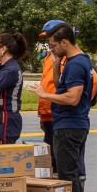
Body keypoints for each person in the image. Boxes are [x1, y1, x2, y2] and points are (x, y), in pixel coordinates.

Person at [29, 23, 93, 192]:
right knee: (71, 174)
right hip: (70, 124)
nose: (51, 50)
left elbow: (72, 98)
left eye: (53, 45)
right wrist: (56, 65)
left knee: (68, 177)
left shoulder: (75, 64)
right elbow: (62, 87)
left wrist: (44, 95)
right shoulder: (73, 61)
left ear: (65, 42)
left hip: (70, 126)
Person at [37, 19, 66, 168]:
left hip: (58, 110)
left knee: (58, 155)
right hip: (48, 111)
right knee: (50, 154)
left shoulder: (66, 57)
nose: (47, 40)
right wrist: (43, 115)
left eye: (49, 36)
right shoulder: (50, 56)